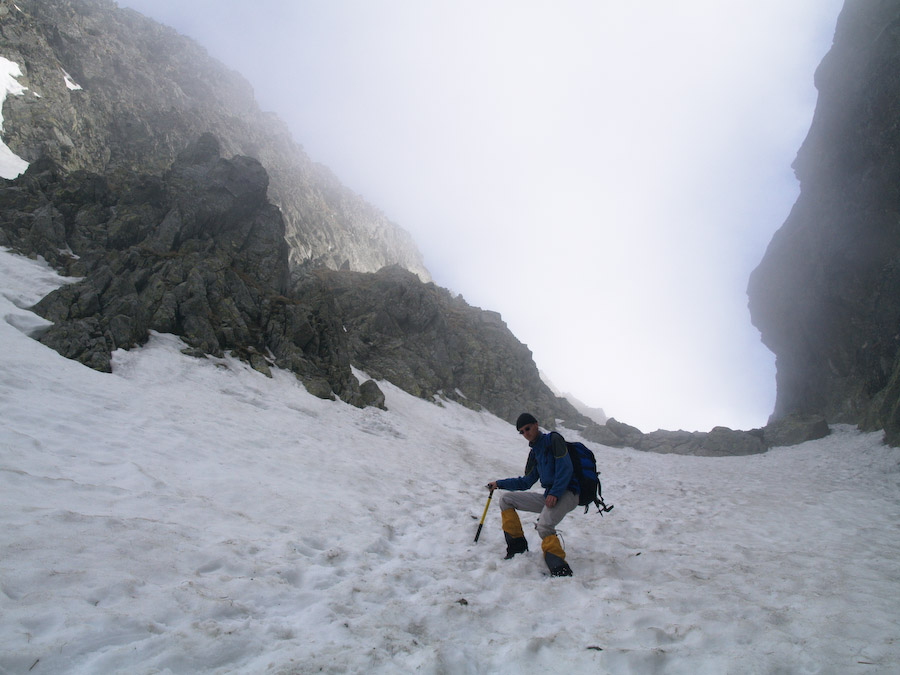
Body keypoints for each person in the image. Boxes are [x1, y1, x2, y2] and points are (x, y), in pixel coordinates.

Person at [487, 412, 578, 577]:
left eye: (527, 428)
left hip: (568, 493)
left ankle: (560, 570)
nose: (525, 433)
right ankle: (517, 549)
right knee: (506, 500)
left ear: (536, 424)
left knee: (544, 526)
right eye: (521, 432)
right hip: (550, 496)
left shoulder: (554, 440)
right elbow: (526, 482)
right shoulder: (535, 453)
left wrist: (555, 493)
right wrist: (499, 483)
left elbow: (566, 469)